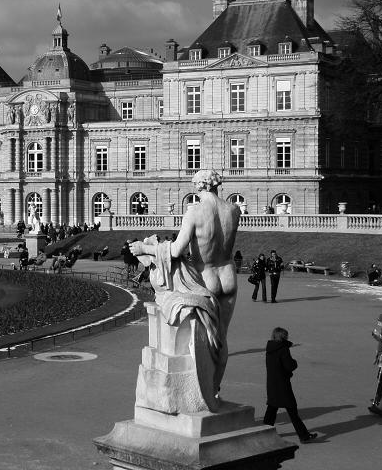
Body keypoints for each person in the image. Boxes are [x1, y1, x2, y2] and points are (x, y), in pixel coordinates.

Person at [128, 169, 241, 400]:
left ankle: (203, 392)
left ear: (200, 186)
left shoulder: (195, 212)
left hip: (206, 275)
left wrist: (144, 248)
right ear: (216, 184)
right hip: (229, 275)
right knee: (221, 338)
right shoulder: (233, 210)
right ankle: (215, 390)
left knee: (203, 338)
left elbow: (177, 250)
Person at [263, 327, 317, 443]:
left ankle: (263, 434)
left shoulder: (269, 349)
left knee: (271, 410)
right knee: (292, 411)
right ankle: (304, 436)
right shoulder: (283, 350)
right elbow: (289, 366)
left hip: (272, 384)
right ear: (283, 337)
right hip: (282, 385)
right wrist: (295, 363)